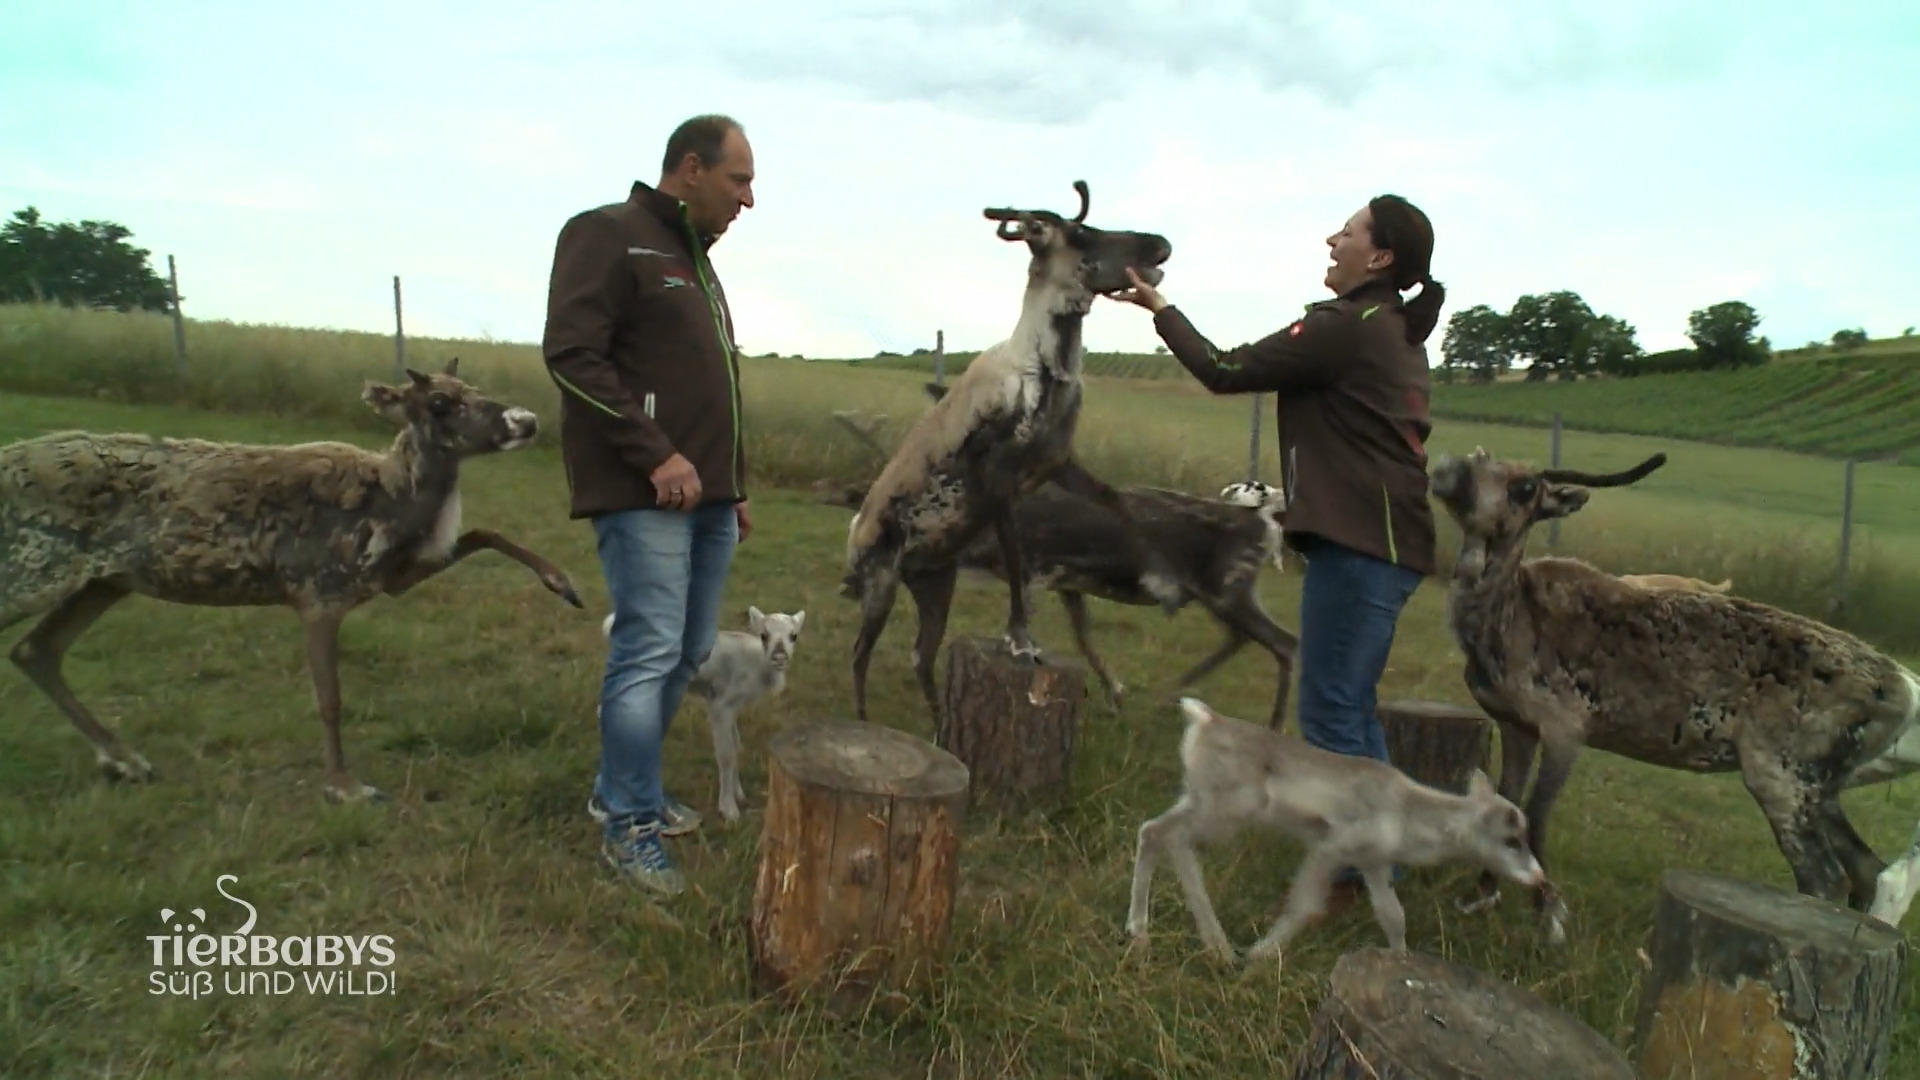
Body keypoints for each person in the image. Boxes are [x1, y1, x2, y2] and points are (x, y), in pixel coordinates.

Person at [1106, 193, 1442, 816]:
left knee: (1331, 714)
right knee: (1349, 707)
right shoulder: (1384, 327)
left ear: (1380, 257)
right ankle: (1379, 863)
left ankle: (1354, 870)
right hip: (1385, 547)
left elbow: (1224, 368)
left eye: (1347, 233)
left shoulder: (1347, 327)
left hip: (1362, 546)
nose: (1331, 241)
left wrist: (1160, 307)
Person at [540, 113, 757, 896]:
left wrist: (732, 487)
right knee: (648, 650)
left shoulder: (695, 260)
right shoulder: (607, 234)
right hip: (644, 494)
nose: (749, 199)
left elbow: (712, 386)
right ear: (690, 168)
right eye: (739, 180)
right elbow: (571, 356)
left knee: (688, 652)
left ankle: (624, 790)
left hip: (707, 499)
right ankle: (628, 826)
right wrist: (655, 454)